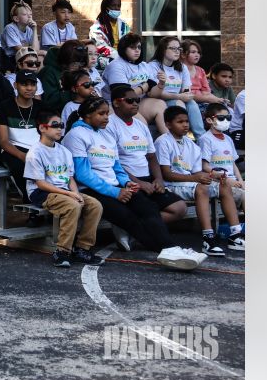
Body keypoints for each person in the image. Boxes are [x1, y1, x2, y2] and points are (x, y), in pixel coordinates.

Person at [61, 97, 206, 271]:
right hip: (91, 190)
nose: (107, 117)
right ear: (87, 115)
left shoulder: (105, 134)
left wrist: (128, 182)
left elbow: (117, 167)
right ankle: (167, 249)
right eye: (101, 113)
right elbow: (83, 174)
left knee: (148, 206)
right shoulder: (75, 135)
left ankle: (169, 248)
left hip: (115, 187)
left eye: (107, 113)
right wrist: (115, 192)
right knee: (128, 216)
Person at [153, 106, 244, 258]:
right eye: (180, 122)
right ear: (168, 124)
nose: (185, 125)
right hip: (171, 186)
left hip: (189, 183)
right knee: (202, 189)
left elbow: (196, 172)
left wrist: (212, 176)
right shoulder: (163, 142)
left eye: (187, 121)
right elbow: (166, 174)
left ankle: (235, 236)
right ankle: (208, 238)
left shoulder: (191, 145)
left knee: (223, 185)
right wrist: (196, 178)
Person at [23, 111, 104, 267]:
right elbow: (40, 183)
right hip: (42, 192)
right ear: (42, 128)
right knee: (72, 205)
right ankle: (62, 251)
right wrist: (69, 194)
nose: (60, 129)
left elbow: (70, 178)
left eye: (61, 125)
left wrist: (76, 193)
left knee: (95, 205)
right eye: (55, 125)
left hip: (64, 190)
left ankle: (82, 249)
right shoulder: (35, 152)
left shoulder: (64, 151)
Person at [105, 84, 186, 225]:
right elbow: (112, 163)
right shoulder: (109, 125)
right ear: (116, 103)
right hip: (125, 181)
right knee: (150, 209)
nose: (136, 103)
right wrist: (138, 183)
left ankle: (131, 229)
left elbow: (151, 156)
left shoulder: (141, 125)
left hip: (147, 179)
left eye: (137, 100)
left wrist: (158, 179)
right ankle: (138, 229)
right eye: (130, 100)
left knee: (179, 208)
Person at [198, 103, 246, 241]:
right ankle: (237, 234)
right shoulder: (205, 139)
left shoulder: (229, 139)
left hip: (233, 181)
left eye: (228, 117)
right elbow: (205, 166)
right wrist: (226, 179)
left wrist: (240, 181)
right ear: (209, 120)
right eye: (221, 117)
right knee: (245, 196)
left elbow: (233, 164)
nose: (225, 121)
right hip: (219, 181)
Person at [141, 35, 204, 137]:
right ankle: (181, 137)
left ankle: (201, 138)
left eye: (179, 48)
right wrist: (179, 96)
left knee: (191, 103)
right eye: (173, 48)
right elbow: (154, 94)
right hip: (157, 101)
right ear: (163, 50)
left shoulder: (182, 67)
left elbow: (186, 90)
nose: (177, 51)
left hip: (176, 98)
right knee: (179, 102)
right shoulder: (153, 66)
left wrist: (186, 94)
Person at [0, 72, 42, 199]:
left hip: (38, 149)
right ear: (15, 85)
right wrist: (22, 156)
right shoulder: (4, 107)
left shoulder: (42, 107)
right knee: (20, 166)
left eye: (33, 84)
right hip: (14, 149)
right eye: (24, 84)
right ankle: (31, 204)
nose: (29, 88)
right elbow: (4, 141)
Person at [100, 33, 152, 103]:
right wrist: (144, 88)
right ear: (123, 49)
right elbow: (124, 95)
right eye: (132, 47)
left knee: (159, 103)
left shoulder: (144, 65)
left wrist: (161, 84)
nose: (137, 50)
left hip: (139, 102)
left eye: (139, 47)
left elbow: (154, 88)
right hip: (118, 106)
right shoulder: (115, 66)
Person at [89, 0, 131, 72]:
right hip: (106, 58)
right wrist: (121, 57)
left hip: (123, 56)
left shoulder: (123, 25)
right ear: (106, 8)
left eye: (118, 6)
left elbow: (130, 42)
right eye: (114, 5)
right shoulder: (97, 28)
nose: (117, 8)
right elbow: (101, 47)